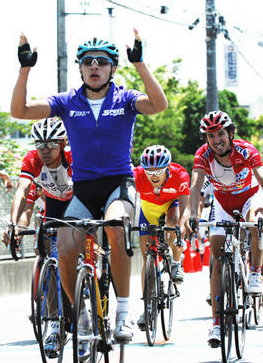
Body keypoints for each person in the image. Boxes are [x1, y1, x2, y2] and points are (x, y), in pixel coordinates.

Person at [10, 29, 168, 347]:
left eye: (102, 62)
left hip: (118, 185)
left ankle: (122, 313)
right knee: (66, 250)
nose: (94, 67)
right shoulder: (68, 102)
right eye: (88, 62)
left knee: (115, 228)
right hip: (83, 188)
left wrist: (140, 64)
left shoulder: (124, 99)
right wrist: (25, 69)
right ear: (80, 68)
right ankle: (81, 315)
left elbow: (158, 104)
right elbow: (20, 111)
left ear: (112, 68)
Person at [188, 111, 263, 348]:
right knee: (217, 259)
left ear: (230, 134)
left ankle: (256, 271)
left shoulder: (245, 150)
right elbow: (195, 187)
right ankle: (216, 323)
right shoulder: (203, 155)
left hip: (250, 196)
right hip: (223, 202)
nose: (216, 140)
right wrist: (194, 214)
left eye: (220, 134)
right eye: (211, 136)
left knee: (256, 220)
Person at [3, 117, 72, 357]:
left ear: (62, 143)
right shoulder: (32, 160)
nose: (44, 150)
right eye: (39, 144)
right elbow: (22, 192)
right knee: (53, 261)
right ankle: (54, 324)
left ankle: (89, 308)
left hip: (77, 204)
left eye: (50, 145)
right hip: (53, 207)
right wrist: (13, 225)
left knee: (80, 249)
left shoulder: (73, 158)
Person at [133, 145, 190, 330]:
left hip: (170, 205)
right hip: (147, 209)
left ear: (168, 168)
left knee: (173, 221)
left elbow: (185, 206)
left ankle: (175, 263)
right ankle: (147, 307)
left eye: (158, 170)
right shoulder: (136, 175)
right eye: (149, 171)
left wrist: (182, 226)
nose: (154, 175)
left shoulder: (179, 175)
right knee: (147, 257)